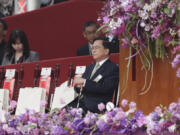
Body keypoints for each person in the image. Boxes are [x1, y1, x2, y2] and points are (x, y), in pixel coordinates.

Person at [70, 37, 119, 113]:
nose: (93, 50)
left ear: (106, 51)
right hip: (82, 102)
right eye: (92, 48)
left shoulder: (112, 68)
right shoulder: (90, 67)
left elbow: (105, 88)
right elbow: (82, 88)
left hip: (96, 105)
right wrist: (77, 86)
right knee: (60, 110)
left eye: (97, 48)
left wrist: (85, 82)